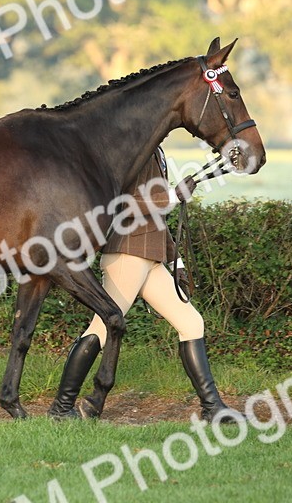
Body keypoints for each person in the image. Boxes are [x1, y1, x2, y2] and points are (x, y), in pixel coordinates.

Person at [47, 146, 243, 422]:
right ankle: (61, 408)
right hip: (127, 254)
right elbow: (121, 205)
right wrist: (173, 196)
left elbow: (157, 220)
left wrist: (178, 265)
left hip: (150, 258)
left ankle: (213, 408)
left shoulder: (155, 152)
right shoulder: (132, 152)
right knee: (101, 328)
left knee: (191, 324)